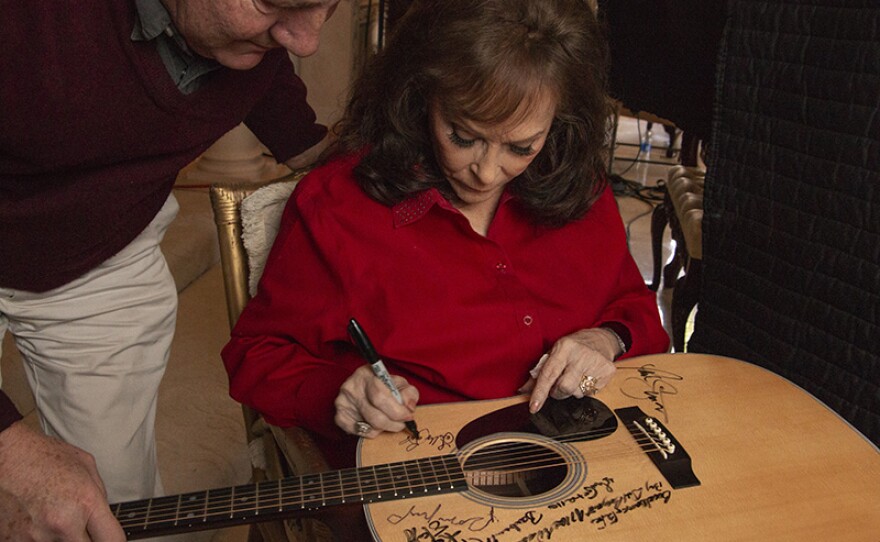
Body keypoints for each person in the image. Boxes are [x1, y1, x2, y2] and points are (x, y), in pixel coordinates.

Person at [223, 0, 670, 474]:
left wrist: (605, 340)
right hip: (422, 474)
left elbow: (634, 309)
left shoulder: (576, 183)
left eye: (521, 147)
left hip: (577, 462)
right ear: (420, 98)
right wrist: (340, 391)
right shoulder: (339, 206)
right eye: (463, 135)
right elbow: (256, 356)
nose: (486, 172)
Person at [0, 0, 339, 540]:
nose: (306, 41)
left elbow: (299, 132)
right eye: (276, 4)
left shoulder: (259, 54)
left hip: (101, 248)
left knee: (112, 504)